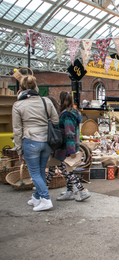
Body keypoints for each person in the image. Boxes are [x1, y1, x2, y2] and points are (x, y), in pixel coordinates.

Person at [12, 75, 59, 211]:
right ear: (35, 86)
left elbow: (17, 130)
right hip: (47, 142)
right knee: (40, 171)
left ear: (21, 88)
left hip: (31, 141)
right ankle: (36, 197)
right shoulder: (46, 101)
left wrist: (19, 149)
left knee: (34, 173)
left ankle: (45, 199)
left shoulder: (18, 105)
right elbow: (55, 121)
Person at [47, 91, 91, 201]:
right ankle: (70, 191)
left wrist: (71, 151)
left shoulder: (67, 114)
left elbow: (69, 133)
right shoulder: (72, 113)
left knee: (67, 170)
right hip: (68, 146)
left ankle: (81, 191)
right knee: (66, 169)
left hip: (65, 147)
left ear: (61, 100)